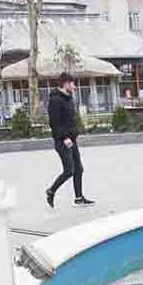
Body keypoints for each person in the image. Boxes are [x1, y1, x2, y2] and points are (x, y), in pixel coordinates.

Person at [45, 72, 94, 208]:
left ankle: (79, 198)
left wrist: (76, 132)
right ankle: (51, 191)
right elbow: (54, 123)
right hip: (62, 141)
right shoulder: (55, 100)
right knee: (69, 170)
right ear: (66, 83)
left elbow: (69, 120)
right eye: (72, 83)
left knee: (79, 169)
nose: (74, 86)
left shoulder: (68, 98)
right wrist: (65, 137)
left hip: (71, 140)